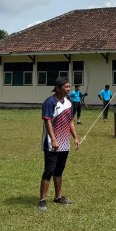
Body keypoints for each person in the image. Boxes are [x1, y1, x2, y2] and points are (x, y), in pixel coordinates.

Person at [38, 77, 80, 211]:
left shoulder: (69, 103)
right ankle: (42, 200)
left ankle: (58, 197)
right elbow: (47, 121)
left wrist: (75, 137)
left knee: (59, 171)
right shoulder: (49, 102)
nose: (68, 89)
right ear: (57, 88)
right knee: (49, 171)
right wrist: (54, 139)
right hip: (52, 143)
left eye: (69, 87)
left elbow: (70, 122)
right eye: (66, 87)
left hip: (64, 143)